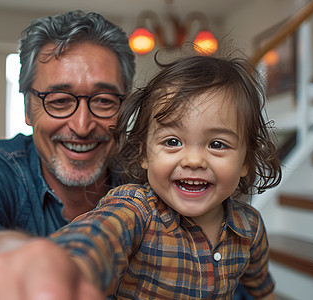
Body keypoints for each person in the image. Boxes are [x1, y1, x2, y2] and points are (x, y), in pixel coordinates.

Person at [0, 10, 135, 300]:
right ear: (27, 109)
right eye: (59, 101)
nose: (82, 126)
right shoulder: (0, 165)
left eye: (105, 101)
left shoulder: (148, 175)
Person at [51, 54, 282, 299]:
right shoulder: (136, 209)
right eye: (173, 142)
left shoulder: (250, 227)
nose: (193, 160)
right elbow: (99, 236)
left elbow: (262, 289)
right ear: (145, 154)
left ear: (245, 161)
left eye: (217, 144)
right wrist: (68, 264)